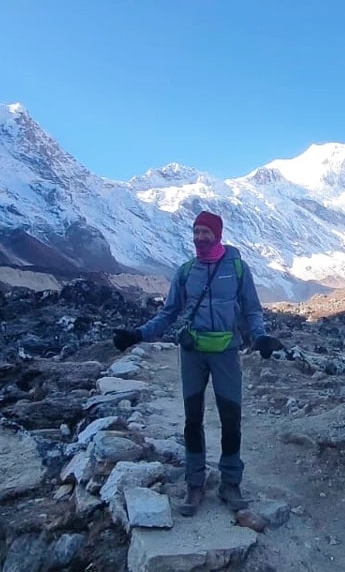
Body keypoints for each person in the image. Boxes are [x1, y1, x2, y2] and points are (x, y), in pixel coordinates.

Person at [112, 210, 283, 517]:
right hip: (192, 352)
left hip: (226, 352)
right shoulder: (186, 271)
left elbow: (253, 310)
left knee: (231, 418)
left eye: (205, 232)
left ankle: (230, 483)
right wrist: (138, 334)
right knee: (193, 419)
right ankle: (195, 483)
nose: (199, 237)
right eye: (196, 232)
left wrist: (261, 336)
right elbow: (168, 313)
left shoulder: (238, 269)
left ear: (217, 235)